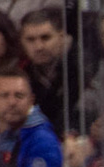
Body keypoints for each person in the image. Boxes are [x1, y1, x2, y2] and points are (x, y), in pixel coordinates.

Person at [20, 10, 81, 141]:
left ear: (62, 37)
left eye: (45, 38)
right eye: (30, 40)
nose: (38, 46)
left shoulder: (82, 65)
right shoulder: (21, 73)